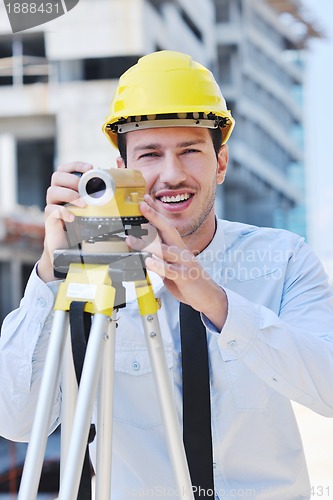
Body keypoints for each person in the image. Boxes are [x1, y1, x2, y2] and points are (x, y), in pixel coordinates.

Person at [1, 50, 333, 500]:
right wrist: (49, 269)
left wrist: (216, 302)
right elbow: (17, 419)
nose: (171, 174)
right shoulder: (95, 273)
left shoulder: (282, 258)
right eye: (151, 154)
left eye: (190, 151)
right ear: (122, 171)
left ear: (221, 162)